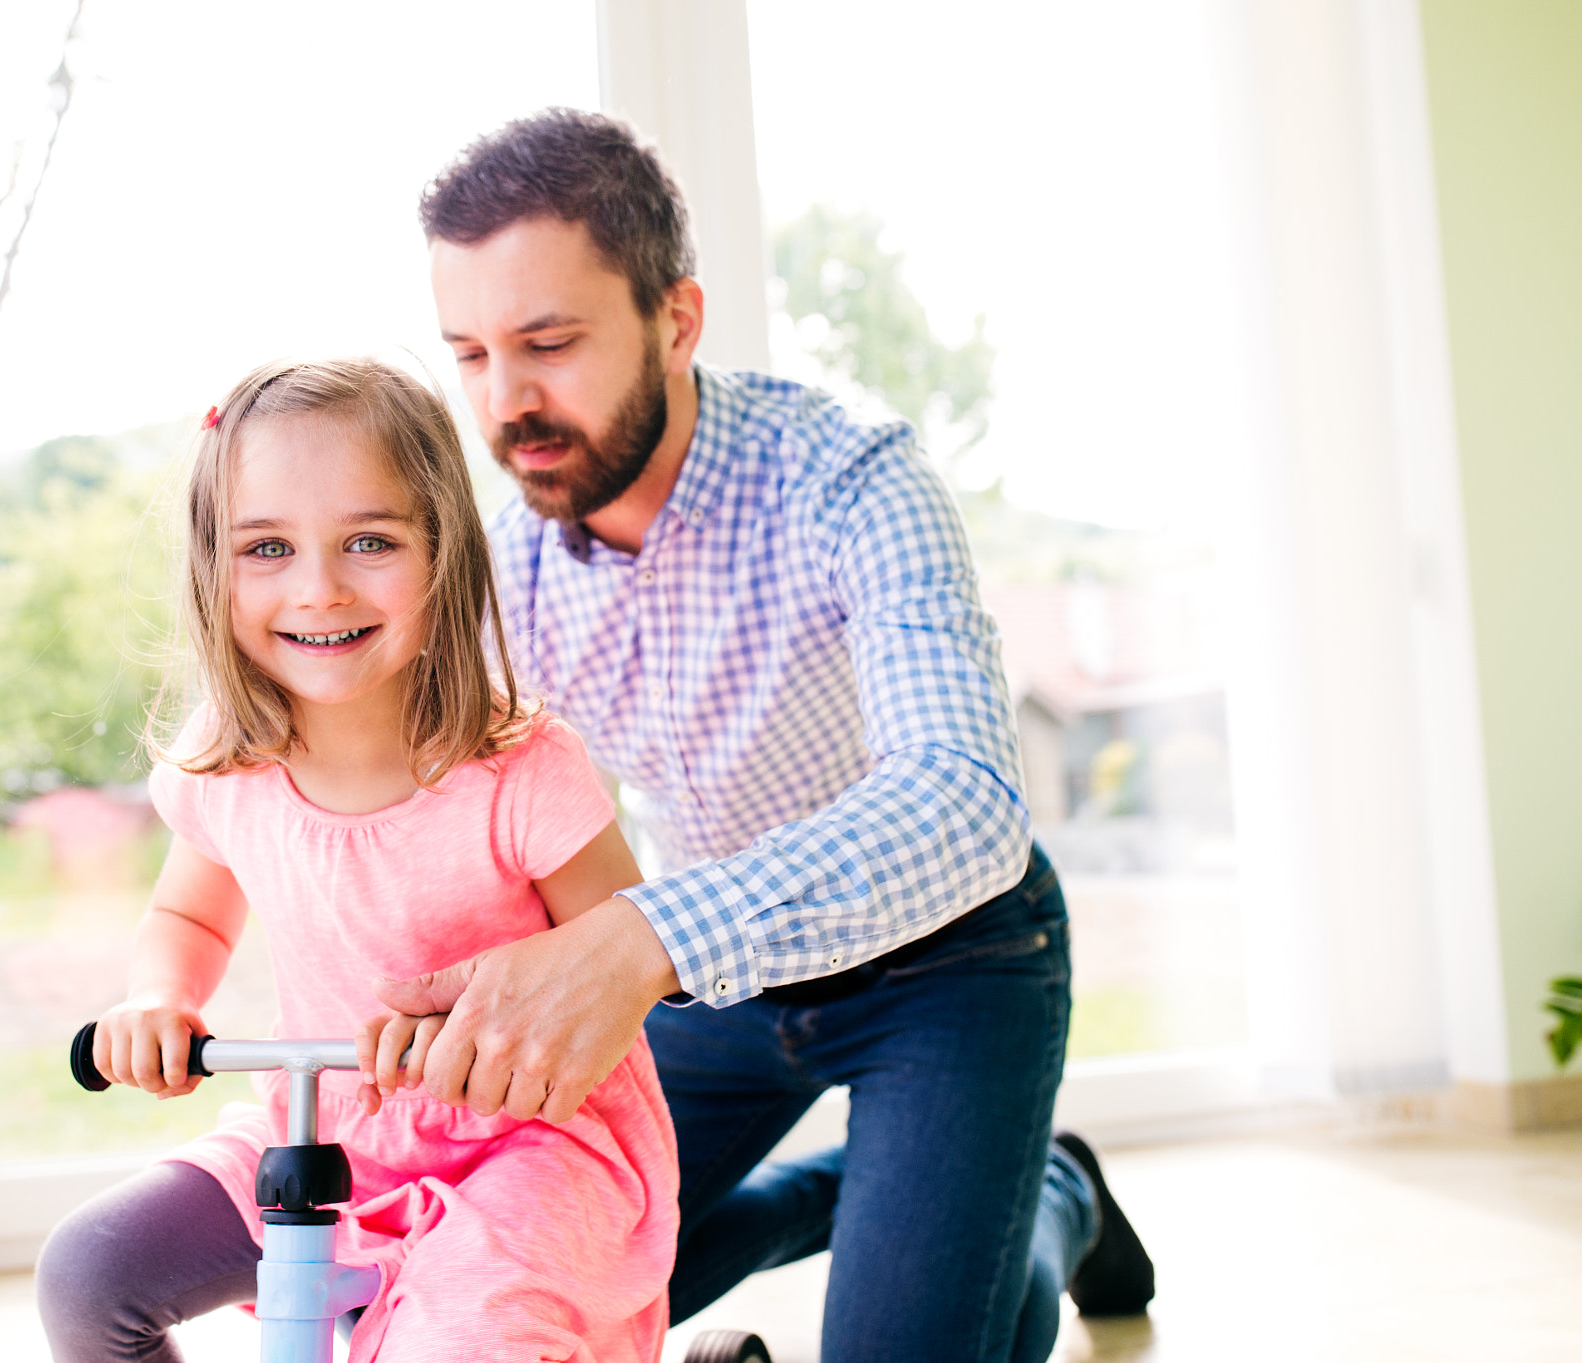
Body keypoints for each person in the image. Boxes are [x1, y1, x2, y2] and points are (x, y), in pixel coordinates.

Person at [369, 109, 1156, 1362]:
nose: (505, 402)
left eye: (549, 342)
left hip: (954, 964)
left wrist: (635, 940)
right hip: (719, 984)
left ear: (675, 320)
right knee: (513, 1284)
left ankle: (1048, 1193)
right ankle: (879, 1194)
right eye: (468, 353)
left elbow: (963, 797)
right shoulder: (505, 569)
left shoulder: (849, 480)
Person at [34, 358, 679, 1363]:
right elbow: (191, 918)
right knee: (91, 1274)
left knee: (453, 1337)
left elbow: (630, 953)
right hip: (329, 1131)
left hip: (532, 1140)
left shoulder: (517, 771)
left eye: (368, 541)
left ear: (444, 554)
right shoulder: (230, 764)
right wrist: (159, 1000)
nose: (317, 586)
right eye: (266, 548)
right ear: (214, 566)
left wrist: (488, 1037)